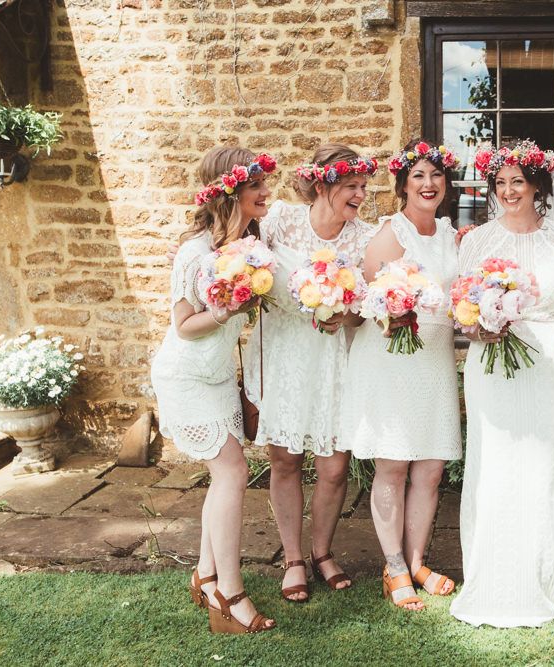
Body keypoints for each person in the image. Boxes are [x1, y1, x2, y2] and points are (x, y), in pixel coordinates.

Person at [450, 140, 554, 628]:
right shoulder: (476, 241)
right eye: (501, 182)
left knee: (544, 463)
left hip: (548, 363)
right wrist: (479, 324)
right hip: (491, 363)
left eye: (518, 182)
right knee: (496, 462)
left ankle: (548, 576)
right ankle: (493, 576)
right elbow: (461, 312)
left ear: (538, 187)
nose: (509, 191)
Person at [242, 144, 379, 602]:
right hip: (283, 355)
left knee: (335, 467)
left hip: (333, 361)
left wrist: (347, 315)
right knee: (284, 461)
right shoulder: (280, 220)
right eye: (351, 186)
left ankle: (323, 552)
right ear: (323, 184)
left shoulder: (364, 239)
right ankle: (294, 557)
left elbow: (365, 309)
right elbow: (243, 265)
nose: (361, 195)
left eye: (364, 186)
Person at [150, 146, 276, 634]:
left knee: (227, 475)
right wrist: (227, 310)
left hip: (221, 374)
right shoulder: (194, 252)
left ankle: (205, 575)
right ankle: (230, 592)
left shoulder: (247, 244)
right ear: (231, 192)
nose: (265, 193)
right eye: (256, 186)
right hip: (186, 374)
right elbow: (183, 325)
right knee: (233, 473)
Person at [340, 140, 462, 611]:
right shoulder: (390, 234)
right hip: (393, 359)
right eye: (418, 177)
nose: (429, 185)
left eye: (436, 176)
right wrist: (398, 308)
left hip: (432, 360)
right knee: (393, 463)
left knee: (430, 468)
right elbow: (369, 303)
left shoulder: (451, 234)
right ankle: (392, 566)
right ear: (402, 186)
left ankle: (417, 562)